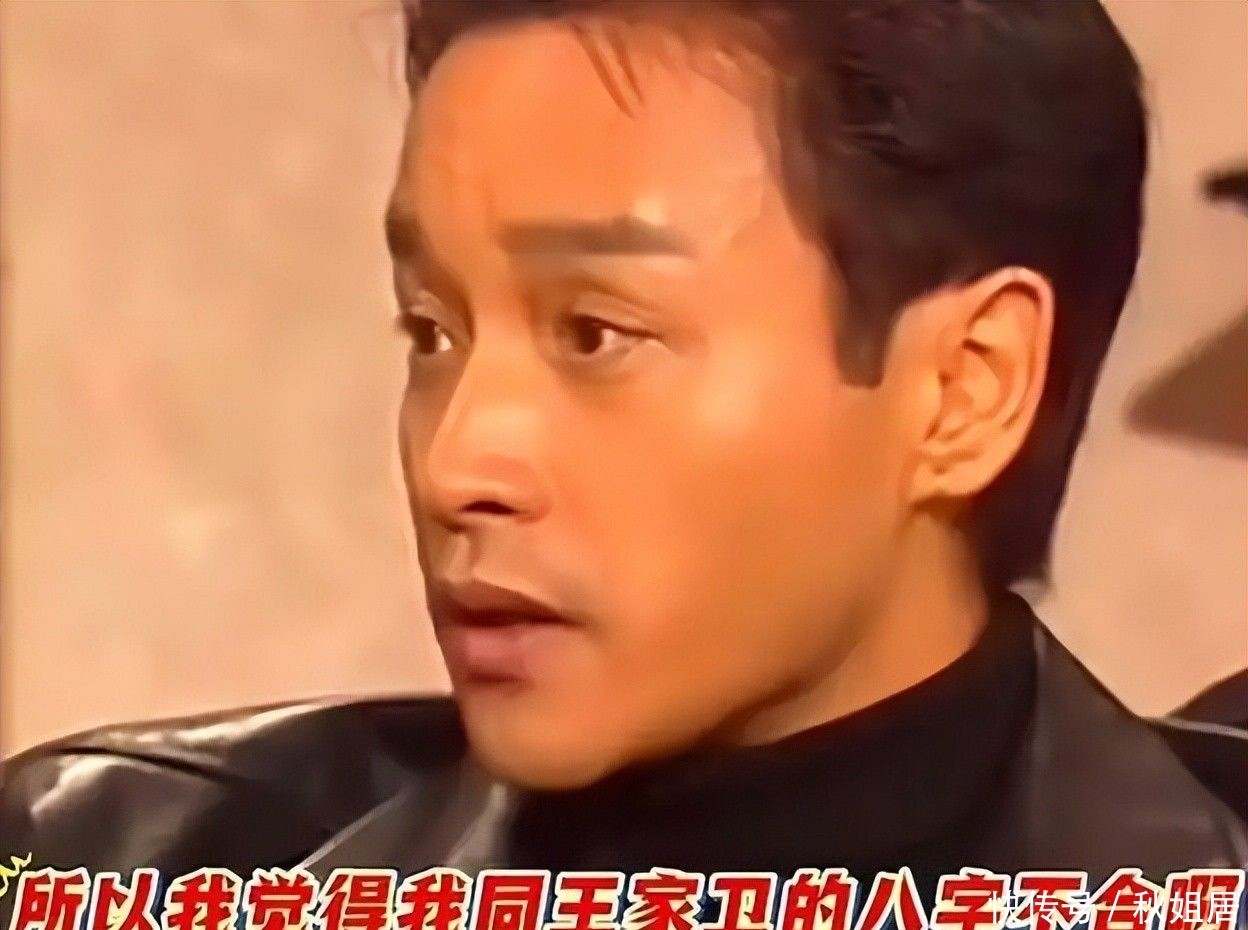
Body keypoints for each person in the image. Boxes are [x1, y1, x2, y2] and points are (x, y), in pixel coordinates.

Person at [2, 0, 1245, 903]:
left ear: (965, 389)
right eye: (431, 330)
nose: (457, 465)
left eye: (595, 333)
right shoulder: (118, 868)